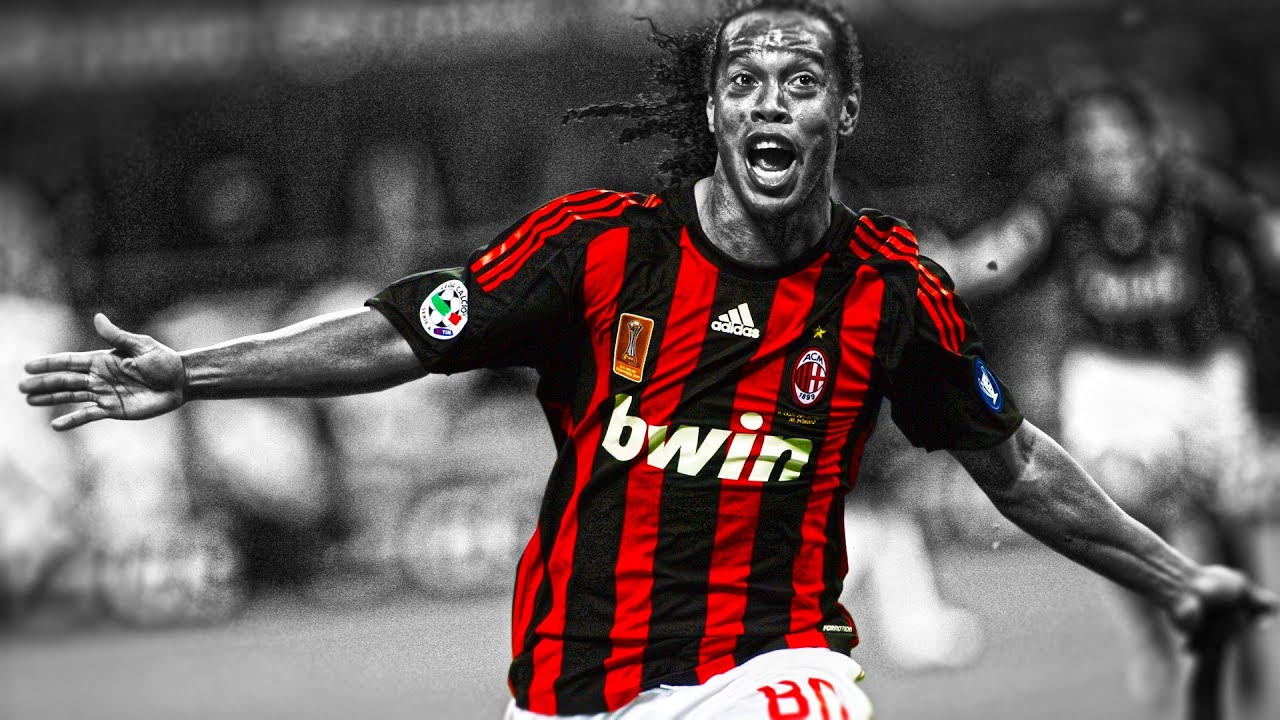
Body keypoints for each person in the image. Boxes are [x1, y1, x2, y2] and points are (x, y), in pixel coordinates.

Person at [17, 2, 1276, 718]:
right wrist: (193, 373)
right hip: (575, 686)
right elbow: (401, 333)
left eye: (800, 80)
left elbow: (1016, 464)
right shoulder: (597, 250)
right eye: (745, 81)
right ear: (713, 111)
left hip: (775, 666)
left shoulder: (890, 289)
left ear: (840, 111)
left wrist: (1177, 577)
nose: (770, 101)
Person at [921, 81, 1279, 710]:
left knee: (1223, 507)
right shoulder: (1061, 204)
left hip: (1204, 370)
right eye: (1089, 147)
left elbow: (1263, 234)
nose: (1106, 160)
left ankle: (1234, 625)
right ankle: (1157, 632)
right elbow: (997, 260)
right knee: (1117, 504)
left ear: (1150, 143)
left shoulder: (1198, 192)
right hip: (1114, 376)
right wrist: (931, 271)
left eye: (1118, 144)